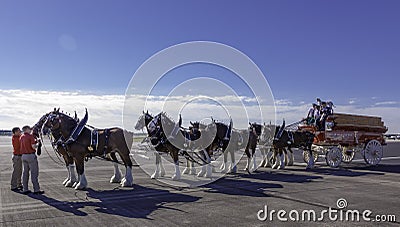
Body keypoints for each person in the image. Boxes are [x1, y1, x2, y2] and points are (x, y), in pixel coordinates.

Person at [20, 125, 44, 195]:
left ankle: (25, 188)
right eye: (30, 129)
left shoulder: (21, 136)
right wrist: (38, 143)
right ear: (27, 129)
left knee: (25, 173)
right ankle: (36, 189)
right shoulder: (30, 136)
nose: (31, 130)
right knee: (34, 173)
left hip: (23, 156)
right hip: (30, 155)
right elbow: (33, 147)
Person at [11, 127, 23, 191]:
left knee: (19, 171)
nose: (20, 132)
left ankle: (19, 184)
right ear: (15, 132)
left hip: (19, 156)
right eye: (19, 131)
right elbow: (19, 145)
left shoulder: (18, 137)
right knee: (16, 171)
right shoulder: (16, 138)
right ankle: (13, 185)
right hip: (17, 157)